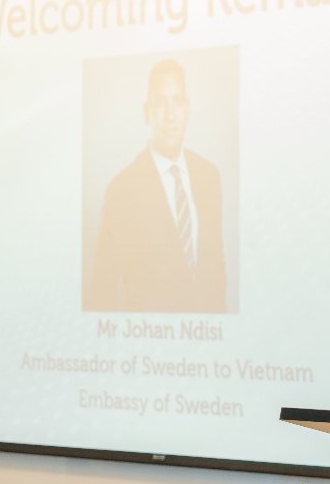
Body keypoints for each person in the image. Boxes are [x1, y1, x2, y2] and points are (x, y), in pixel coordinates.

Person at [85, 59, 227, 313]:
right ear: (146, 112)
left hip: (209, 336)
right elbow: (102, 295)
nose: (170, 116)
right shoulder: (121, 191)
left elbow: (216, 273)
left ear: (188, 109)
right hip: (152, 337)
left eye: (177, 102)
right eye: (160, 103)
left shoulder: (210, 177)